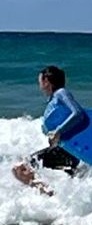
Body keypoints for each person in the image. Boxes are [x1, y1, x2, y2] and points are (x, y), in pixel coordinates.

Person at [11, 65, 87, 195]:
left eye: (40, 80)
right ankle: (54, 196)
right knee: (73, 184)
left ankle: (49, 194)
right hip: (63, 150)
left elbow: (78, 113)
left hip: (66, 152)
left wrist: (58, 131)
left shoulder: (61, 93)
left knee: (19, 169)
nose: (39, 83)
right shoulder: (53, 99)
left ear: (46, 81)